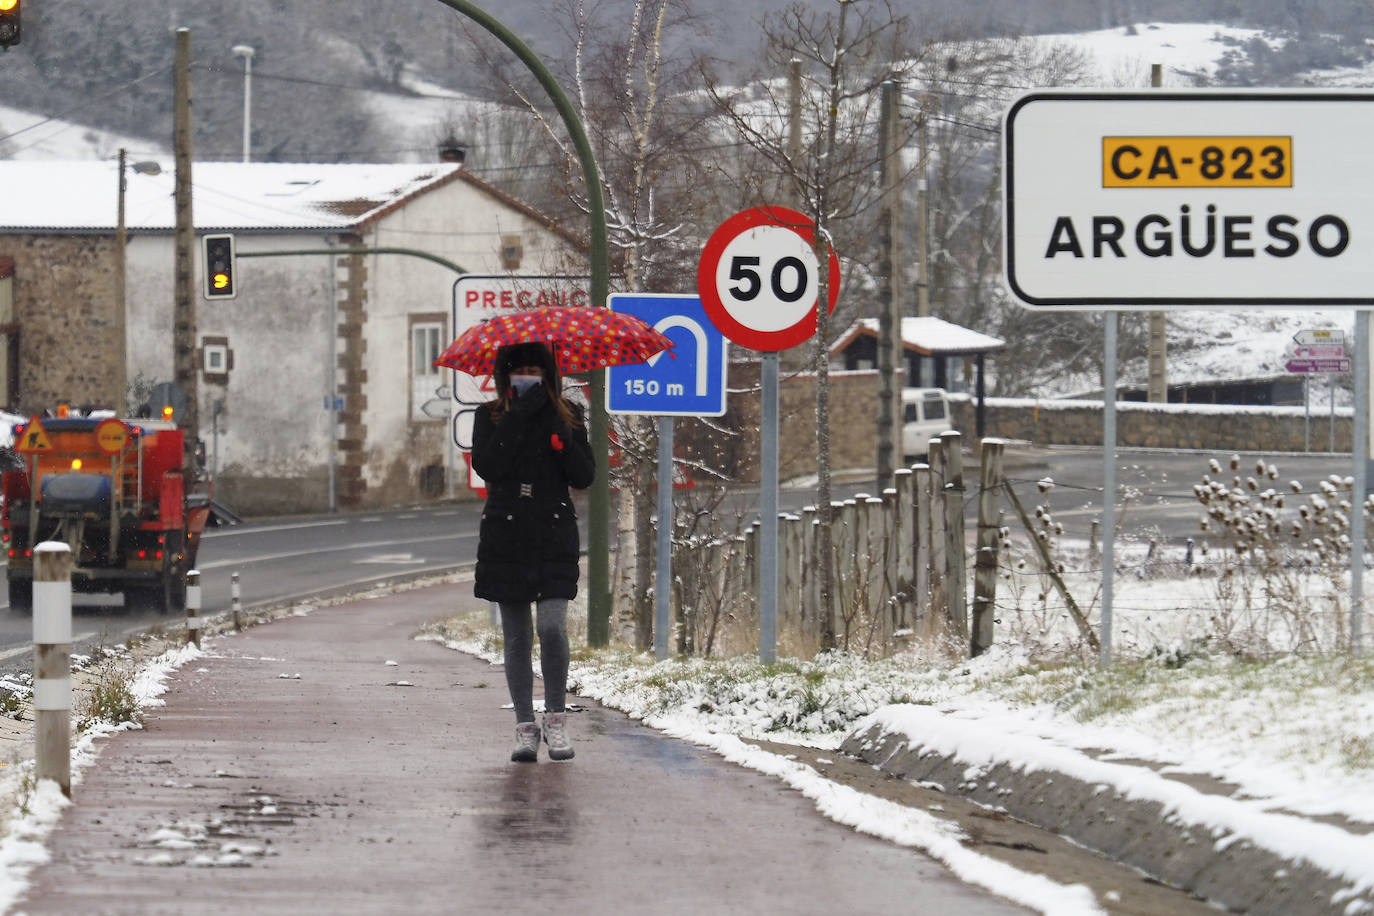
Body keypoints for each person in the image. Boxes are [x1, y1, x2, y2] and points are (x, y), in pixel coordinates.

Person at [470, 341, 595, 762]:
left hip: (553, 530)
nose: (527, 376)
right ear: (506, 376)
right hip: (506, 533)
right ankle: (526, 728)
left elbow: (584, 475)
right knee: (518, 636)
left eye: (535, 370)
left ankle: (556, 719)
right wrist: (518, 418)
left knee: (553, 628)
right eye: (519, 370)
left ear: (548, 374)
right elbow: (488, 465)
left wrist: (561, 437)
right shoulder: (488, 416)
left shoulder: (569, 414)